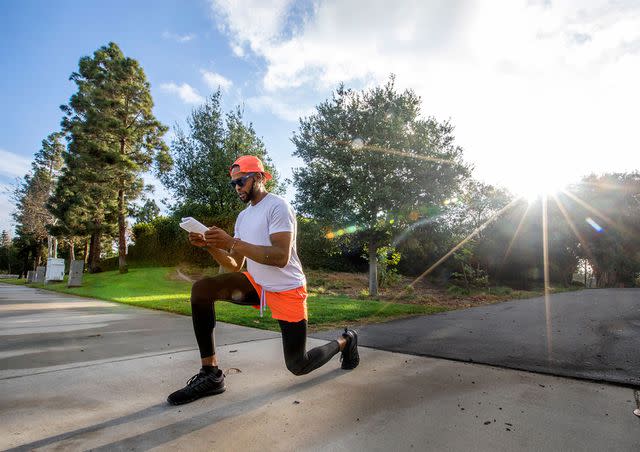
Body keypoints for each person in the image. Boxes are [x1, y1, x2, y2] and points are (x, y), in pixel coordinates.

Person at [168, 155, 359, 405]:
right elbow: (235, 263)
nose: (237, 188)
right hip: (257, 284)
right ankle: (211, 374)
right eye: (233, 184)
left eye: (242, 181)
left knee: (298, 365)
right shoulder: (243, 217)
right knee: (202, 290)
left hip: (287, 288)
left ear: (258, 177)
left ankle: (346, 341)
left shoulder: (278, 206)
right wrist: (210, 246)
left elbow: (280, 257)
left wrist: (231, 242)